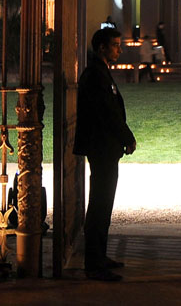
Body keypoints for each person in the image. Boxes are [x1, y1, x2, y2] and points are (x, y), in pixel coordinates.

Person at [73, 27, 137, 281]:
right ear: (102, 47)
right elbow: (107, 113)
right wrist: (127, 137)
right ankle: (94, 263)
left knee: (104, 204)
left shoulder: (101, 73)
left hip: (105, 148)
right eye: (115, 45)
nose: (119, 49)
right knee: (99, 204)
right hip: (101, 147)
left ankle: (100, 256)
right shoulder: (95, 75)